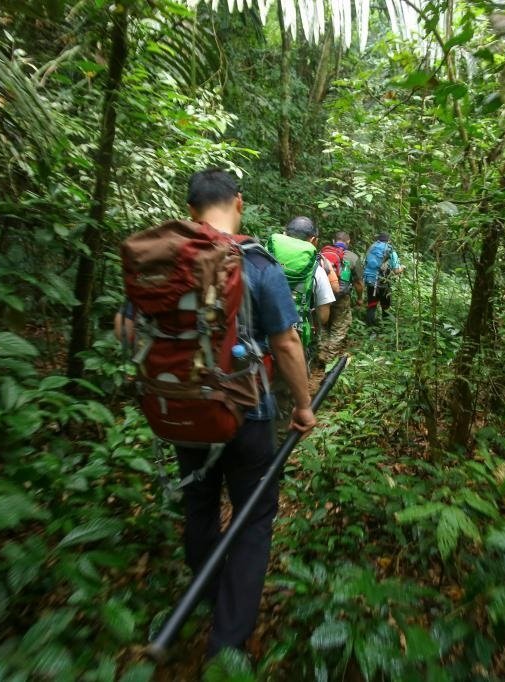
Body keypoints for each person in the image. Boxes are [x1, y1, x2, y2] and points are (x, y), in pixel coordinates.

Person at [122, 169, 316, 659]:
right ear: (239, 203)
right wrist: (303, 405)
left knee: (200, 503)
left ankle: (207, 593)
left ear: (190, 210)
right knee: (255, 516)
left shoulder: (165, 261)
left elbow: (126, 328)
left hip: (182, 411)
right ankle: (227, 642)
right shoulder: (258, 263)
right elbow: (286, 342)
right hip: (249, 413)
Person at [318, 231, 363, 365]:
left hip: (321, 295)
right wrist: (360, 298)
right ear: (348, 242)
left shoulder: (322, 254)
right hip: (341, 296)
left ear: (333, 241)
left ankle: (321, 352)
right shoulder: (352, 257)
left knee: (323, 323)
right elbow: (358, 283)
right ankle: (330, 358)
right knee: (339, 326)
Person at [283, 216, 336, 327]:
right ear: (313, 241)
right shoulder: (316, 270)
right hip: (296, 332)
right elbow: (323, 316)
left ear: (284, 234)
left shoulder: (266, 257)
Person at [363, 232, 403, 326]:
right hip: (383, 282)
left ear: (378, 239)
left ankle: (370, 328)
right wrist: (402, 268)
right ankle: (386, 328)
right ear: (389, 240)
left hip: (370, 280)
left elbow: (365, 263)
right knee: (386, 306)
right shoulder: (390, 250)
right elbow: (396, 270)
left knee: (372, 305)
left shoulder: (372, 248)